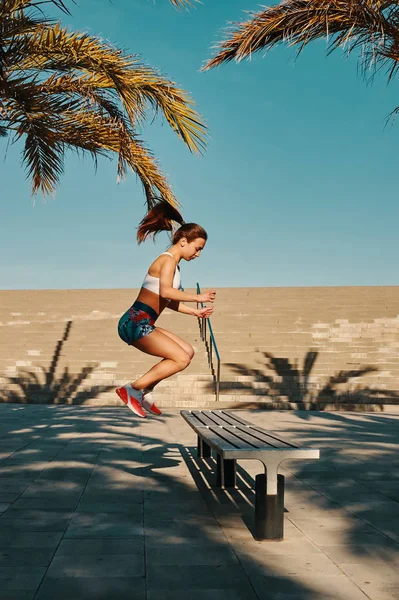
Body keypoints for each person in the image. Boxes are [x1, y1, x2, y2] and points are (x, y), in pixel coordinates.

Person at [116, 201, 216, 417]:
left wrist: (196, 312)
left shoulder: (175, 266)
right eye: (197, 248)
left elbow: (170, 301)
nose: (198, 254)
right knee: (179, 358)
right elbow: (166, 292)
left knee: (187, 352)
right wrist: (198, 297)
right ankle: (132, 389)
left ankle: (146, 389)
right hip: (134, 323)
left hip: (144, 322)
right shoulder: (167, 260)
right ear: (183, 241)